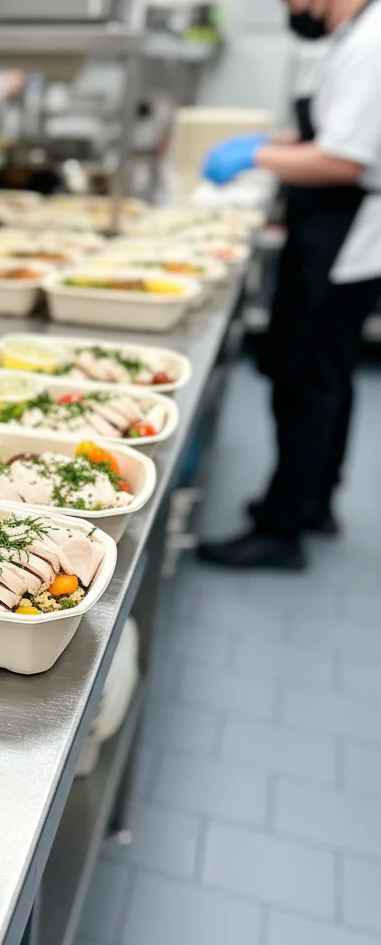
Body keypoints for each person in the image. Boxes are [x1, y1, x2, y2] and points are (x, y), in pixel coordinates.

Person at [198, 0, 381, 571]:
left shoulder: (372, 41)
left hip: (342, 234)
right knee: (329, 376)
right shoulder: (353, 36)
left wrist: (256, 155)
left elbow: (343, 159)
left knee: (304, 380)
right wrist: (272, 140)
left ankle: (282, 530)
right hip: (331, 229)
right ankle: (315, 502)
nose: (289, 7)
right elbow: (325, 132)